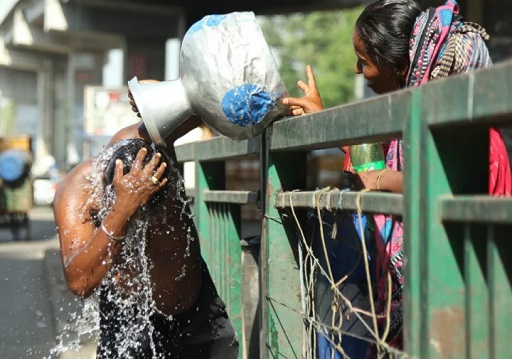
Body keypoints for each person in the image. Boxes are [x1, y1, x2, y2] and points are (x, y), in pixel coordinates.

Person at [282, 0, 512, 351]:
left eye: (366, 62)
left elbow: (432, 188)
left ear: (401, 66)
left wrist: (384, 179)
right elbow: (373, 169)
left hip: (466, 323)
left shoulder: (470, 137)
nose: (358, 71)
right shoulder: (404, 134)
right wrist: (322, 117)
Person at [54, 100, 239, 358]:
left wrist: (290, 110)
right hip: (129, 316)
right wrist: (122, 211)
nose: (147, 223)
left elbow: (214, 100)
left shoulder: (154, 136)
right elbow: (79, 282)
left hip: (197, 314)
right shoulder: (78, 191)